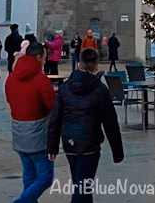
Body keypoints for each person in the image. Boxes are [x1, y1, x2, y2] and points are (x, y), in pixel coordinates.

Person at [48, 47, 123, 203]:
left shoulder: (64, 88)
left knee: (81, 184)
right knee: (82, 188)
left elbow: (55, 118)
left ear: (79, 64)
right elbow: (110, 122)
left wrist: (52, 146)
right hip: (90, 144)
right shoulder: (100, 90)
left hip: (69, 142)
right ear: (96, 66)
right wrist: (117, 151)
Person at [5, 42, 56, 203]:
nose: (45, 61)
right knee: (45, 177)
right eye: (45, 58)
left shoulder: (11, 78)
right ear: (39, 57)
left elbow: (9, 100)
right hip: (38, 133)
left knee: (29, 174)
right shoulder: (41, 80)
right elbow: (51, 106)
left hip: (18, 131)